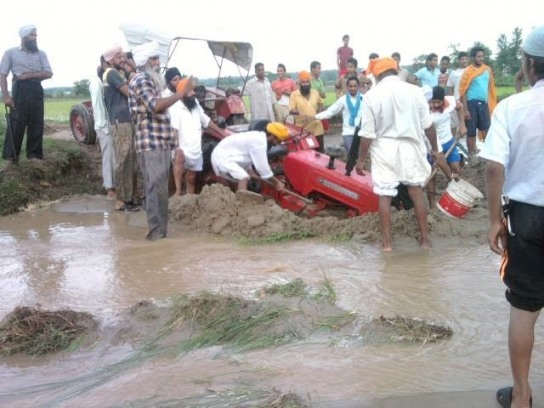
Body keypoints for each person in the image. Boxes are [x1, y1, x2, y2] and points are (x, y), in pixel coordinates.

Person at [480, 25, 544, 408]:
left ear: (527, 65)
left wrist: (492, 221)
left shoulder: (512, 107)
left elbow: (492, 169)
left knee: (524, 306)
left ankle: (521, 396)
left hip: (529, 217)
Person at [355, 58, 445, 251]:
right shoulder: (415, 91)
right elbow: (429, 126)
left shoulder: (371, 96)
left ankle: (387, 244)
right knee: (416, 191)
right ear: (394, 70)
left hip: (384, 149)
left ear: (377, 75)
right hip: (411, 146)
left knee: (385, 196)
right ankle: (425, 240)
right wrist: (435, 150)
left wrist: (361, 161)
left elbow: (367, 135)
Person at [128, 41, 192, 240]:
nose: (157, 63)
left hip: (159, 142)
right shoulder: (141, 79)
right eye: (154, 59)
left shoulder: (151, 81)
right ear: (145, 62)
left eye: (157, 58)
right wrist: (179, 95)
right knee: (156, 189)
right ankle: (156, 236)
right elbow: (155, 106)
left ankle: (159, 235)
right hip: (151, 142)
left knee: (159, 190)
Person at [163, 68, 229, 195]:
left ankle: (191, 200)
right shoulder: (176, 107)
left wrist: (222, 133)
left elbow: (207, 122)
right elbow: (174, 131)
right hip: (182, 148)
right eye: (190, 91)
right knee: (179, 159)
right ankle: (177, 192)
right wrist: (175, 148)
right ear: (183, 93)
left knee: (191, 178)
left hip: (195, 148)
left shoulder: (195, 104)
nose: (194, 93)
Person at [0, 25, 52, 162]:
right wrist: (6, 96)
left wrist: (28, 75)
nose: (35, 37)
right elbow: (2, 74)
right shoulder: (10, 53)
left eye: (36, 35)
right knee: (17, 122)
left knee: (36, 122)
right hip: (19, 89)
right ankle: (11, 157)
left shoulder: (41, 54)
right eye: (32, 35)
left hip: (36, 88)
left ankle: (34, 156)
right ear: (23, 37)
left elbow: (48, 73)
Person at [102, 46, 140, 211]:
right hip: (120, 121)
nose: (122, 58)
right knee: (123, 159)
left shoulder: (118, 74)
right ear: (110, 60)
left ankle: (130, 197)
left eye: (122, 55)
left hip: (127, 120)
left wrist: (129, 68)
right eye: (118, 56)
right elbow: (129, 92)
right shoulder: (111, 74)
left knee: (131, 158)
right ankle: (121, 199)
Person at [211, 122, 287, 192]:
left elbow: (246, 156)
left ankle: (238, 196)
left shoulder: (259, 138)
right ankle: (242, 202)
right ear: (271, 135)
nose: (278, 144)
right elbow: (262, 168)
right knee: (243, 177)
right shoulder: (260, 142)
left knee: (244, 176)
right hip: (222, 157)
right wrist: (277, 183)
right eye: (278, 141)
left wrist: (250, 171)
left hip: (229, 156)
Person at [459, 46, 497, 156]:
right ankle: (472, 155)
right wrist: (465, 110)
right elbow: (463, 92)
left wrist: (491, 104)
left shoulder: (487, 69)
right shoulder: (468, 72)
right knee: (471, 131)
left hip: (484, 104)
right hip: (471, 104)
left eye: (482, 56)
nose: (481, 59)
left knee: (486, 129)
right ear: (473, 58)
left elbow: (491, 88)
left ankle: (489, 153)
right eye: (479, 56)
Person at [89, 57, 115, 199]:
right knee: (108, 156)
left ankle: (115, 184)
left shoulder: (105, 81)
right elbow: (98, 107)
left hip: (110, 124)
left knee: (114, 156)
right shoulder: (96, 83)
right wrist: (104, 127)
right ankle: (109, 187)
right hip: (103, 125)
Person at [315, 76, 363, 152]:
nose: (353, 88)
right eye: (350, 86)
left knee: (359, 156)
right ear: (347, 87)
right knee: (351, 155)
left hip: (361, 133)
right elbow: (330, 111)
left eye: (355, 86)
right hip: (348, 133)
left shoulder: (364, 99)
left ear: (358, 87)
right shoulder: (343, 99)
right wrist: (315, 117)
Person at [428, 86, 465, 179]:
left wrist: (462, 125)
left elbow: (460, 107)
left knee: (456, 169)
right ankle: (449, 180)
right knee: (435, 172)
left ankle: (455, 187)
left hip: (449, 141)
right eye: (433, 102)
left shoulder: (450, 102)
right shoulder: (425, 109)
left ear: (443, 100)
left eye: (438, 102)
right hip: (435, 145)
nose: (436, 105)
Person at [289, 71, 325, 152]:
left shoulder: (315, 92)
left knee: (320, 152)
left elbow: (321, 104)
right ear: (299, 83)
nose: (305, 84)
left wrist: (320, 112)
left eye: (307, 82)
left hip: (317, 127)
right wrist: (296, 112)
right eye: (303, 82)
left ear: (310, 82)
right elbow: (291, 109)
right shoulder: (294, 95)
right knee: (307, 154)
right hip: (303, 130)